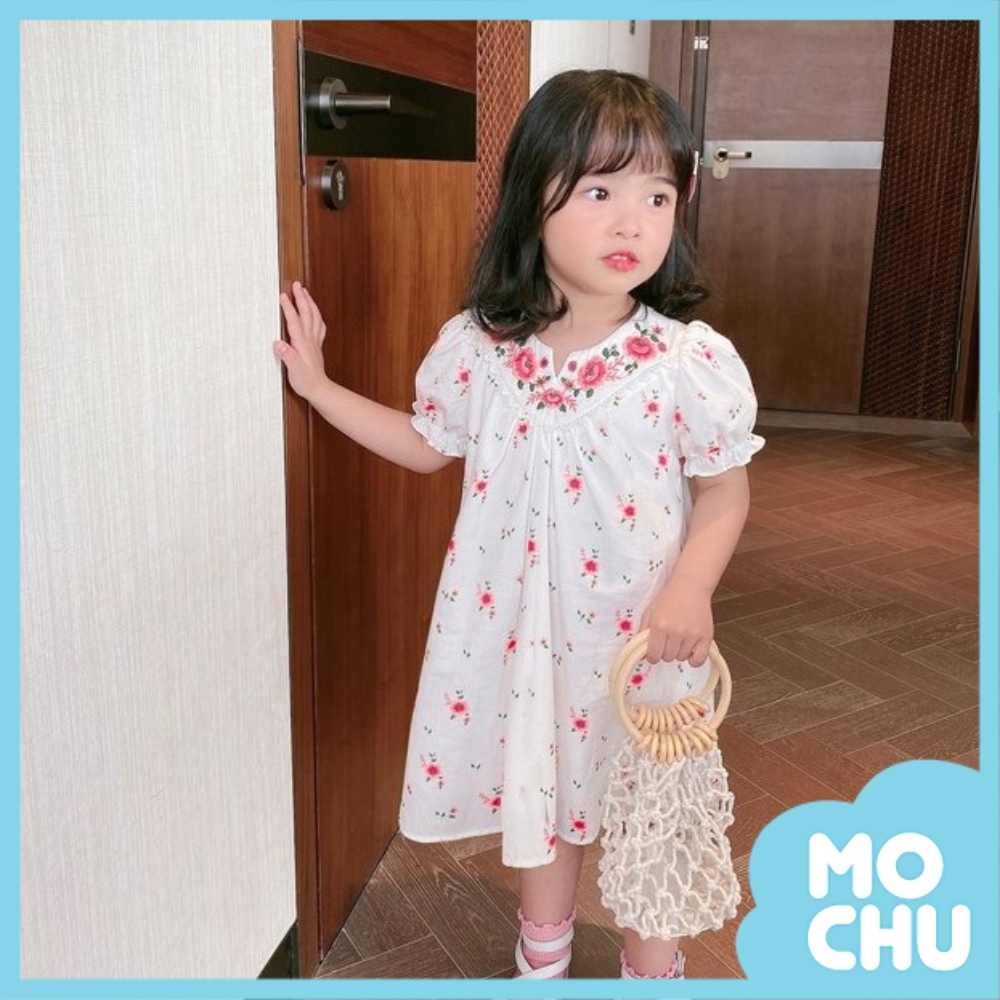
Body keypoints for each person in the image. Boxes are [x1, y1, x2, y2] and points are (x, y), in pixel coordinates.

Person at [274, 68, 764, 981]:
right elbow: (426, 444)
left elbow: (725, 492)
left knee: (648, 813)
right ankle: (542, 962)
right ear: (533, 197)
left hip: (642, 642)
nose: (632, 222)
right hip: (519, 636)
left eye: (658, 196)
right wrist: (319, 386)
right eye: (600, 192)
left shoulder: (685, 362)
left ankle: (651, 974)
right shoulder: (479, 349)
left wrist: (692, 588)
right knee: (541, 794)